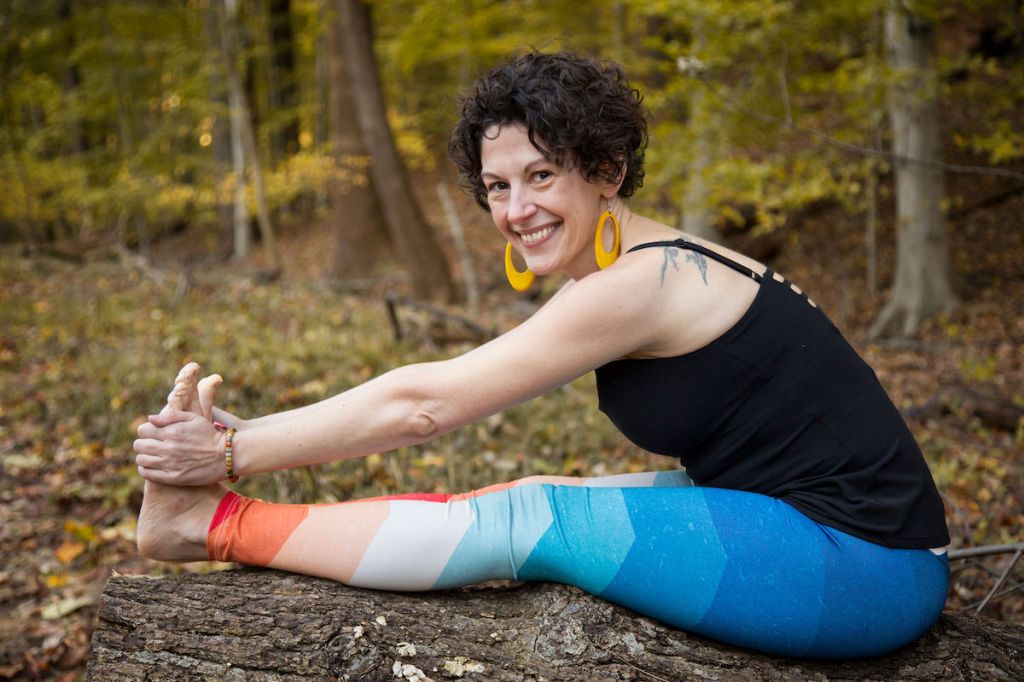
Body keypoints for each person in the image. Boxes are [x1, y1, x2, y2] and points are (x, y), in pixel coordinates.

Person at [133, 51, 949, 659]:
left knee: (528, 518)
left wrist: (234, 449)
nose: (516, 209)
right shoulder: (642, 265)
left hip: (868, 564)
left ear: (607, 171)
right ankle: (203, 514)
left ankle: (215, 524)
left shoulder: (642, 284)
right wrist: (239, 438)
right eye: (496, 186)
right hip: (802, 518)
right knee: (532, 493)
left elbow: (426, 405)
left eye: (541, 175)